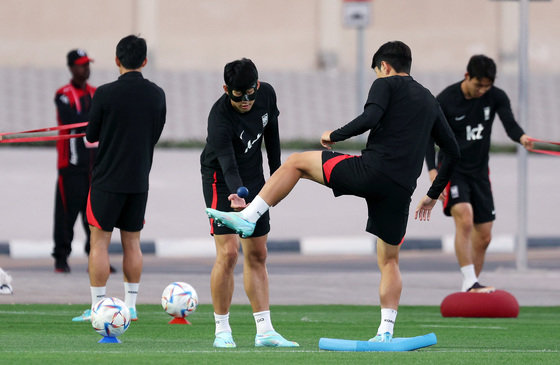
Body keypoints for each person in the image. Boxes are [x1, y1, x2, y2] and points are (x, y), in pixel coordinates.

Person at [207, 41, 460, 343]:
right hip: (402, 188)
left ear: (385, 67)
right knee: (390, 261)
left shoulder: (386, 85)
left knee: (297, 162)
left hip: (370, 172)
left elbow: (370, 118)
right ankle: (385, 332)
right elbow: (453, 151)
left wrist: (334, 136)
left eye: (378, 72)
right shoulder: (431, 101)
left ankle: (249, 215)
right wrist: (432, 194)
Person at [200, 58, 298, 348]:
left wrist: (280, 176)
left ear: (257, 85)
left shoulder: (266, 94)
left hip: (255, 176)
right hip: (221, 180)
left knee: (258, 254)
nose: (246, 101)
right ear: (225, 89)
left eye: (250, 94)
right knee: (229, 254)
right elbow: (228, 164)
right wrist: (236, 194)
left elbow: (273, 135)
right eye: (238, 95)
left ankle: (265, 331)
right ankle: (222, 330)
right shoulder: (218, 118)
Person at [71, 35, 166, 322]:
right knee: (132, 242)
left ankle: (99, 307)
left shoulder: (104, 93)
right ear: (145, 61)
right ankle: (131, 306)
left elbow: (91, 136)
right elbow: (155, 133)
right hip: (138, 180)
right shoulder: (157, 94)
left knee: (99, 243)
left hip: (107, 180)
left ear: (117, 60)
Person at [425, 55, 534, 293]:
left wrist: (522, 138)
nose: (483, 90)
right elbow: (428, 138)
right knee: (464, 216)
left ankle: (471, 285)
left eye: (487, 86)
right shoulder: (445, 100)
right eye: (479, 85)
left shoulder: (496, 96)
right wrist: (432, 171)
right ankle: (469, 282)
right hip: (452, 170)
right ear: (467, 76)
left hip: (480, 173)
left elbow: (510, 125)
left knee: (484, 237)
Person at [52, 49, 116, 274]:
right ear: (71, 68)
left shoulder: (96, 93)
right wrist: (95, 118)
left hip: (96, 167)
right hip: (71, 167)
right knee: (65, 215)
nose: (85, 69)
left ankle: (97, 258)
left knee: (96, 215)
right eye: (81, 65)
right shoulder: (63, 94)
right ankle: (61, 258)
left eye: (87, 64)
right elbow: (73, 120)